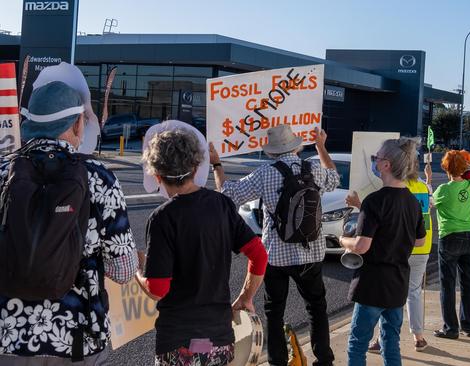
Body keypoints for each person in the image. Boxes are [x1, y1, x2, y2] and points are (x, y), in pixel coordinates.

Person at [0, 75, 137, 364]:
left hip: (7, 336)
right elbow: (124, 271)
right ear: (76, 124)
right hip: (78, 338)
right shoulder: (100, 178)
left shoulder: (3, 173)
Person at [210, 124, 339, 366]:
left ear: (270, 151)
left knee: (274, 311)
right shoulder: (313, 168)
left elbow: (227, 194)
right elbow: (334, 178)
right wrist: (321, 146)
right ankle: (324, 360)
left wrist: (217, 164)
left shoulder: (265, 173)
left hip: (276, 255)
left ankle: (277, 362)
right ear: (296, 145)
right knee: (316, 308)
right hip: (312, 251)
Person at [136, 129, 267, 365]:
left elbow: (157, 288)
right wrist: (246, 297)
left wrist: (138, 270)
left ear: (157, 175)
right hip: (220, 337)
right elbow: (258, 254)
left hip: (179, 341)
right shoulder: (222, 205)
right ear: (196, 168)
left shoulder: (162, 218)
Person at [339, 138, 426, 366]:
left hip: (373, 284)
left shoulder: (375, 200)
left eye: (376, 158)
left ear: (386, 165)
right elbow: (420, 241)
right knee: (390, 341)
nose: (375, 161)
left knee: (357, 343)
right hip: (398, 282)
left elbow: (361, 247)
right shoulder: (412, 202)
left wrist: (343, 240)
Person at [432, 150, 470, 339]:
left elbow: (429, 204)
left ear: (446, 168)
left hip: (450, 237)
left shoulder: (443, 190)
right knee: (468, 281)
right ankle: (468, 325)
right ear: (463, 168)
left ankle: (451, 328)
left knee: (448, 284)